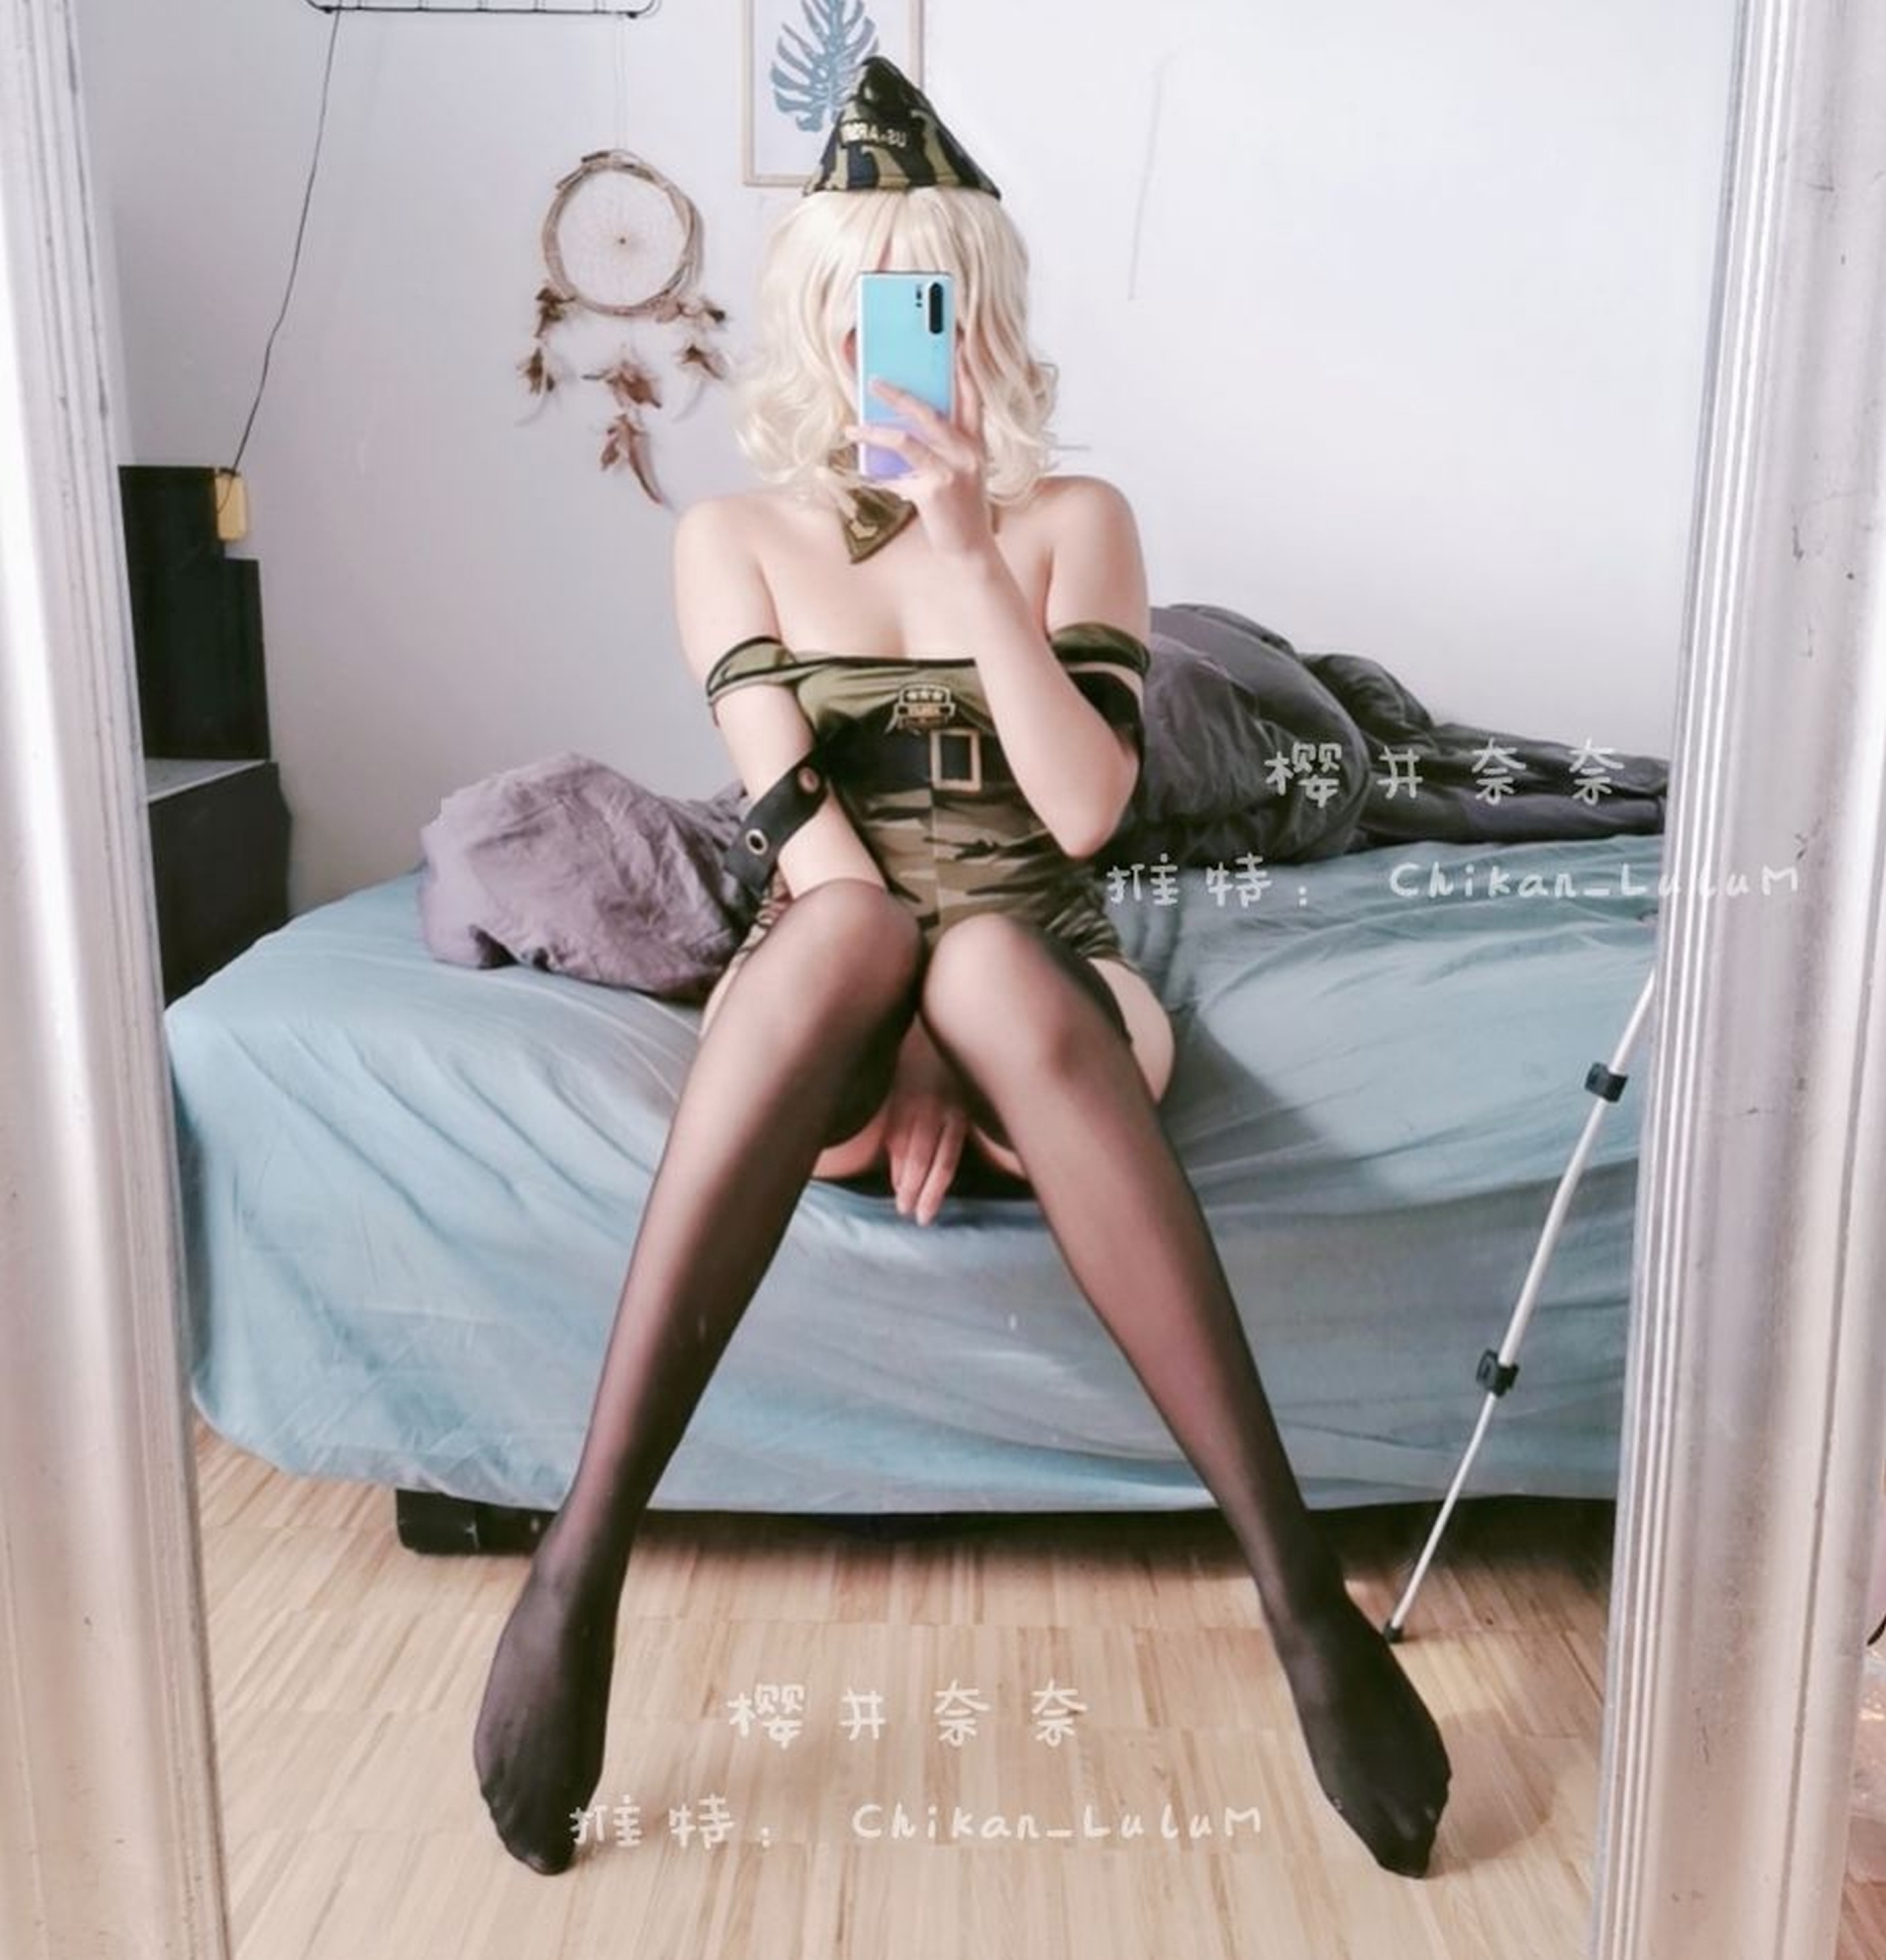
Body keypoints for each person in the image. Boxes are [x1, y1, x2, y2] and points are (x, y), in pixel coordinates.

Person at [474, 54, 1451, 1880]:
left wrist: (970, 557)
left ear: (983, 317)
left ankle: (1306, 1604)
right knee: (862, 932)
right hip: (833, 999)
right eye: (861, 310)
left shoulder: (1078, 521)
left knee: (993, 958)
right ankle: (577, 1568)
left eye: (928, 307)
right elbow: (807, 846)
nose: (892, 349)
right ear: (813, 322)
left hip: (1047, 984)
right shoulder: (730, 540)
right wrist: (910, 1043)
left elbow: (1081, 813)